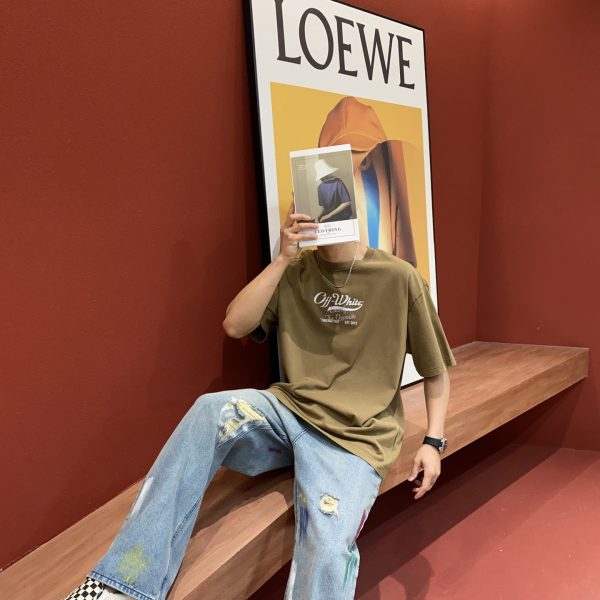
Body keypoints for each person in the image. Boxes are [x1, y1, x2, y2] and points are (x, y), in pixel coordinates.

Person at [63, 200, 456, 600]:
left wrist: (433, 441)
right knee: (210, 411)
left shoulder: (399, 278)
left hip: (355, 438)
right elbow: (235, 324)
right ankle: (124, 586)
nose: (323, 214)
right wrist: (282, 259)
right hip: (289, 412)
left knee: (326, 547)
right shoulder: (295, 272)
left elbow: (436, 368)